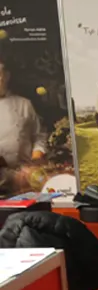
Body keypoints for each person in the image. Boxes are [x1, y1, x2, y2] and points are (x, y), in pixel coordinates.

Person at [0, 55, 47, 195]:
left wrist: (35, 160)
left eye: (0, 74)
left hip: (25, 177)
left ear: (7, 76)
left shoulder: (24, 104)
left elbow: (39, 136)